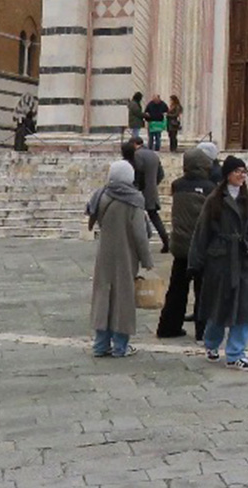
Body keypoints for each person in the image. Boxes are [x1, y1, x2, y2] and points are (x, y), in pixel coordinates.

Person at [188, 156, 248, 371]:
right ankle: (211, 343)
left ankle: (236, 353)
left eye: (244, 172)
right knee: (219, 305)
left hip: (244, 258)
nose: (241, 175)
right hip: (221, 258)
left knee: (244, 308)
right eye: (238, 171)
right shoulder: (214, 200)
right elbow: (202, 231)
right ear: (228, 174)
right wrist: (195, 261)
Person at [88, 161, 152, 358]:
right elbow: (140, 234)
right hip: (126, 255)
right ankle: (120, 346)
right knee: (123, 299)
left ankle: (100, 345)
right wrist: (147, 259)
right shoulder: (134, 200)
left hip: (104, 254)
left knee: (103, 296)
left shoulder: (100, 195)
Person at [156, 147, 215, 341]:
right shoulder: (211, 188)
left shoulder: (177, 185)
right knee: (203, 290)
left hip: (180, 245)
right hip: (201, 246)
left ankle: (168, 326)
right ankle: (202, 330)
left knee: (177, 289)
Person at [130, 136, 169, 253]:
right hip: (151, 191)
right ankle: (166, 240)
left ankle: (140, 244)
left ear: (135, 144)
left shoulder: (137, 155)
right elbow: (161, 174)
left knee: (137, 218)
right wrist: (153, 184)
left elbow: (138, 172)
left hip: (140, 191)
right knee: (154, 217)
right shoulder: (153, 155)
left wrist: (137, 187)